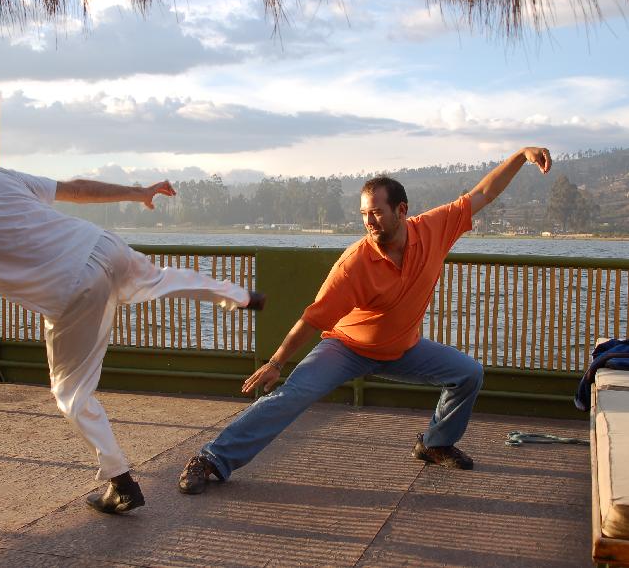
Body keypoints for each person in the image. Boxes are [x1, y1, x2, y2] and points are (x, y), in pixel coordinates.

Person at [0, 137, 265, 514]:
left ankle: (121, 483)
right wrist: (138, 191)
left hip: (71, 286)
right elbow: (76, 189)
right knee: (160, 278)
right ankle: (240, 295)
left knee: (71, 394)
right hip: (100, 243)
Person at [178, 146, 552, 494]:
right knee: (292, 395)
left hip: (403, 348)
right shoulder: (354, 263)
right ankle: (211, 458)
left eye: (376, 212)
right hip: (346, 348)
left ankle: (435, 445)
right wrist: (276, 362)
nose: (369, 221)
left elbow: (484, 193)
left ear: (401, 210)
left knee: (468, 372)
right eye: (363, 214)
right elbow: (312, 318)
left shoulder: (436, 228)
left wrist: (520, 155)